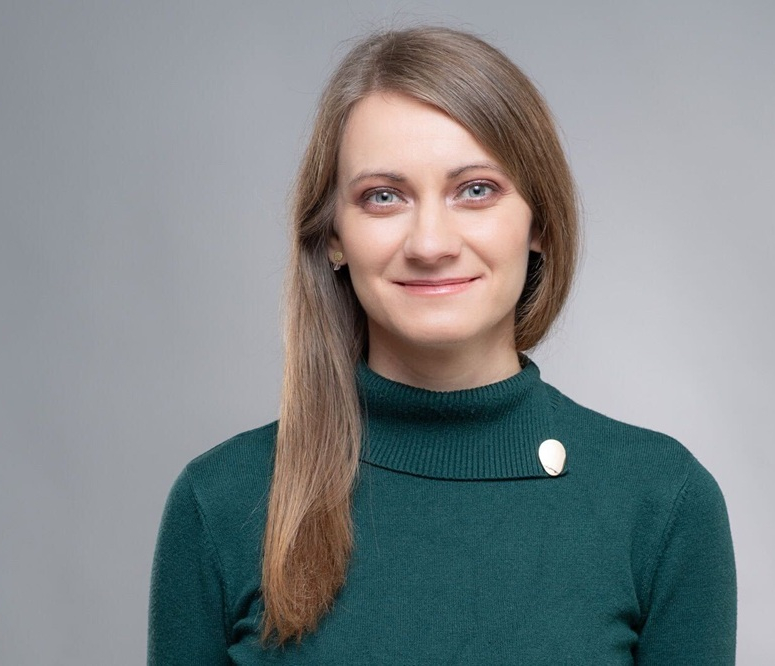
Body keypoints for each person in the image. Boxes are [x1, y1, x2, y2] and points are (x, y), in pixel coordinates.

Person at [148, 26, 736, 665]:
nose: (430, 244)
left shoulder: (663, 503)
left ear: (539, 223)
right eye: (383, 197)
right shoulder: (220, 502)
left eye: (475, 190)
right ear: (333, 236)